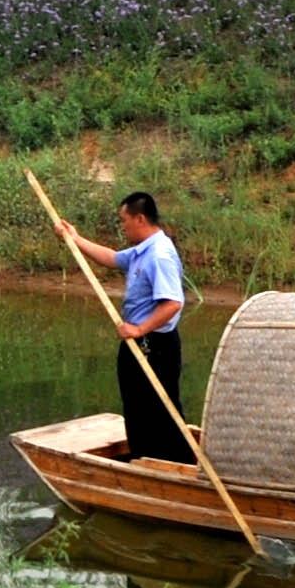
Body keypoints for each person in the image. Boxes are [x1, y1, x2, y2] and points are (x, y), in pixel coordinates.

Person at [58, 191, 195, 464]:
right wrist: (74, 239)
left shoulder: (159, 255)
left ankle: (172, 463)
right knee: (136, 406)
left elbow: (172, 303)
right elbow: (111, 258)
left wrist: (139, 329)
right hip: (138, 343)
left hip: (154, 345)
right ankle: (144, 459)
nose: (122, 227)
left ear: (140, 219)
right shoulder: (142, 250)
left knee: (160, 409)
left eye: (124, 221)